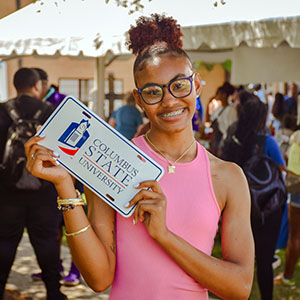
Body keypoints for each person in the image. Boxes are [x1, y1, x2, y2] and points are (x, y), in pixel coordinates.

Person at [24, 14, 254, 299]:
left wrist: (163, 235)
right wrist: (65, 187)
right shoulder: (113, 160)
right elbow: (99, 279)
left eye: (179, 85)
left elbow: (240, 287)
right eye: (153, 92)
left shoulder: (228, 177)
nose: (169, 100)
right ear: (139, 98)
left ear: (196, 84)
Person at [0, 68, 67, 300]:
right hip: (44, 190)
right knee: (47, 242)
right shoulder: (51, 112)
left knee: (5, 242)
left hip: (7, 192)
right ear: (37, 86)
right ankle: (53, 292)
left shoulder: (2, 111)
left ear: (16, 85)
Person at [222, 95, 286, 300]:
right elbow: (281, 167)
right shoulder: (267, 141)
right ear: (262, 118)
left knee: (237, 260)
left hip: (237, 206)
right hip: (267, 206)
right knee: (265, 260)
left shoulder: (232, 139)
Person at [33, 67, 82, 286]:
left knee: (74, 224)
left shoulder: (64, 102)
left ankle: (75, 271)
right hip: (47, 178)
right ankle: (56, 267)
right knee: (53, 228)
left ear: (43, 84)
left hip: (71, 173)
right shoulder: (35, 107)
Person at [274, 129, 300, 288]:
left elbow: (289, 163)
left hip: (297, 188)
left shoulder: (297, 137)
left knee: (295, 236)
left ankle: (287, 277)